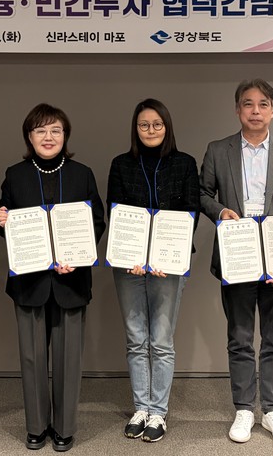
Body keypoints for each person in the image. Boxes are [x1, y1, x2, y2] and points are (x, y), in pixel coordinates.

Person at [199, 79, 273, 446]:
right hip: (238, 257)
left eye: (263, 104)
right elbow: (202, 194)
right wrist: (221, 211)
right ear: (237, 110)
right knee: (240, 337)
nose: (255, 111)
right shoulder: (218, 150)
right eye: (248, 104)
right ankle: (245, 408)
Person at [0, 103, 105, 453]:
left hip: (72, 281)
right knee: (31, 359)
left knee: (69, 359)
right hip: (29, 282)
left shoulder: (82, 174)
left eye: (55, 130)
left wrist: (77, 257)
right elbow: (8, 225)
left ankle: (64, 428)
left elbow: (96, 222)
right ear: (29, 136)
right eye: (40, 130)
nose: (48, 137)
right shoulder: (15, 174)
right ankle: (36, 427)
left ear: (65, 135)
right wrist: (2, 221)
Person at [107, 99, 199, 443]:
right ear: (136, 128)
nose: (150, 130)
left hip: (168, 266)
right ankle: (141, 408)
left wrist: (166, 255)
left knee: (161, 341)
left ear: (167, 127)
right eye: (144, 125)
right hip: (128, 264)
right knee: (136, 339)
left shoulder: (185, 163)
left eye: (157, 124)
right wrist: (132, 253)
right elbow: (115, 212)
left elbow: (191, 212)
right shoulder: (121, 164)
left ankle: (158, 412)